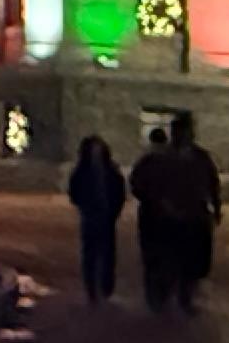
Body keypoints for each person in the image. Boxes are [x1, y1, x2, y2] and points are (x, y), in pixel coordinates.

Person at [162, 112, 225, 312]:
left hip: (195, 215)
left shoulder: (200, 157)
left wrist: (216, 207)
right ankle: (171, 293)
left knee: (194, 260)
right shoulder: (164, 157)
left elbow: (212, 183)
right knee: (172, 257)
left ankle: (185, 295)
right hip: (171, 216)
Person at [66, 133, 127, 302]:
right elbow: (74, 192)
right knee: (91, 253)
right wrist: (85, 207)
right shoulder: (82, 171)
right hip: (91, 216)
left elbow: (119, 191)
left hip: (107, 216)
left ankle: (106, 287)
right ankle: (92, 288)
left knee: (107, 253)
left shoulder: (111, 170)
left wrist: (115, 210)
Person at [129, 125, 181, 307]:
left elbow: (135, 185)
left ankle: (154, 294)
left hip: (151, 213)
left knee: (152, 256)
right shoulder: (173, 162)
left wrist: (148, 198)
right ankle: (165, 290)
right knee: (168, 253)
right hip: (169, 214)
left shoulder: (146, 162)